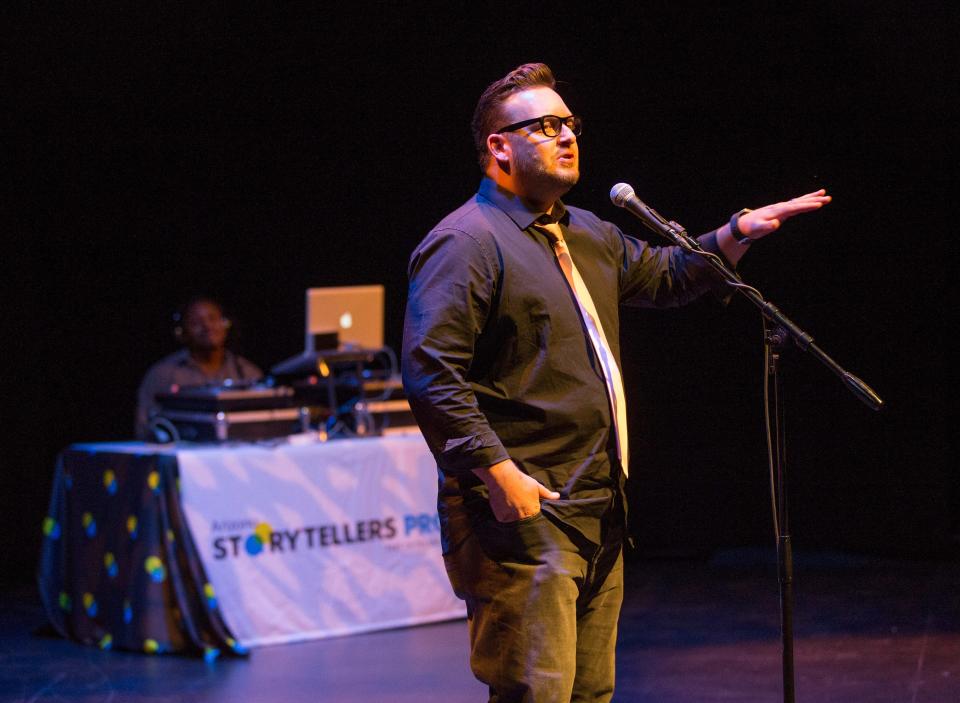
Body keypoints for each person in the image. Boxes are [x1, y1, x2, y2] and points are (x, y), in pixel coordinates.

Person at [401, 62, 830, 703]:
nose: (566, 135)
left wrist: (735, 233)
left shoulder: (584, 232)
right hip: (522, 515)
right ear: (499, 147)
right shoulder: (467, 242)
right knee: (536, 693)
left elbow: (667, 275)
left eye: (569, 123)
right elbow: (431, 371)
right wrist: (496, 470)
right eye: (544, 126)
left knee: (589, 693)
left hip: (598, 509)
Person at [135, 296, 262, 440]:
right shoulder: (163, 374)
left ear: (225, 325)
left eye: (213, 319)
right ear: (181, 332)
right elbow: (145, 429)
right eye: (196, 322)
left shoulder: (247, 372)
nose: (207, 326)